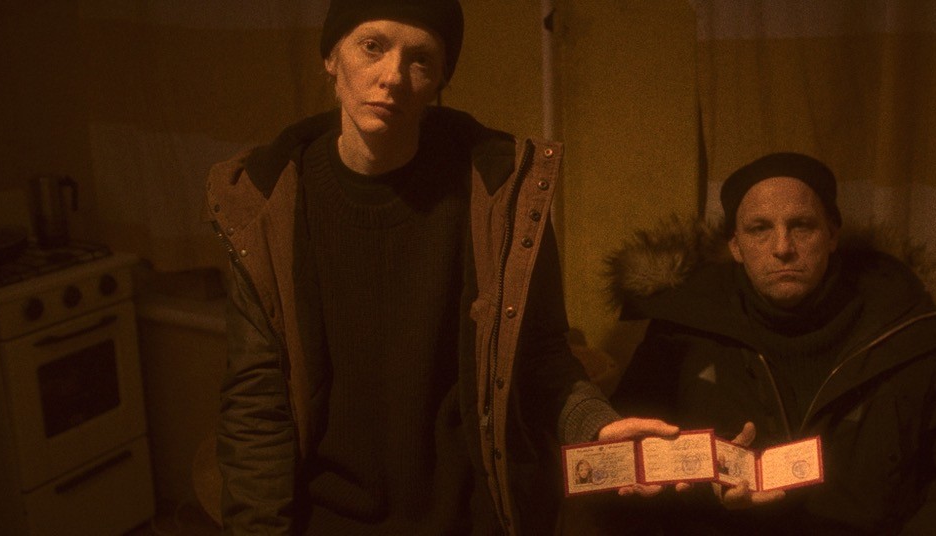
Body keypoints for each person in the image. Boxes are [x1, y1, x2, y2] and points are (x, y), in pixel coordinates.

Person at [202, 1, 675, 534]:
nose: (393, 77)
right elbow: (256, 403)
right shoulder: (268, 205)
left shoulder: (504, 195)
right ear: (331, 58)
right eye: (372, 46)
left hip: (471, 519)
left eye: (421, 59)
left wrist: (597, 425)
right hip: (327, 517)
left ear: (441, 79)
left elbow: (541, 356)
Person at [603, 153, 936, 534]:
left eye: (802, 226)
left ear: (832, 235)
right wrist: (706, 490)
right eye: (760, 229)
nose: (782, 248)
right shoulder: (682, 330)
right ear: (735, 246)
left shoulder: (909, 325)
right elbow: (625, 471)